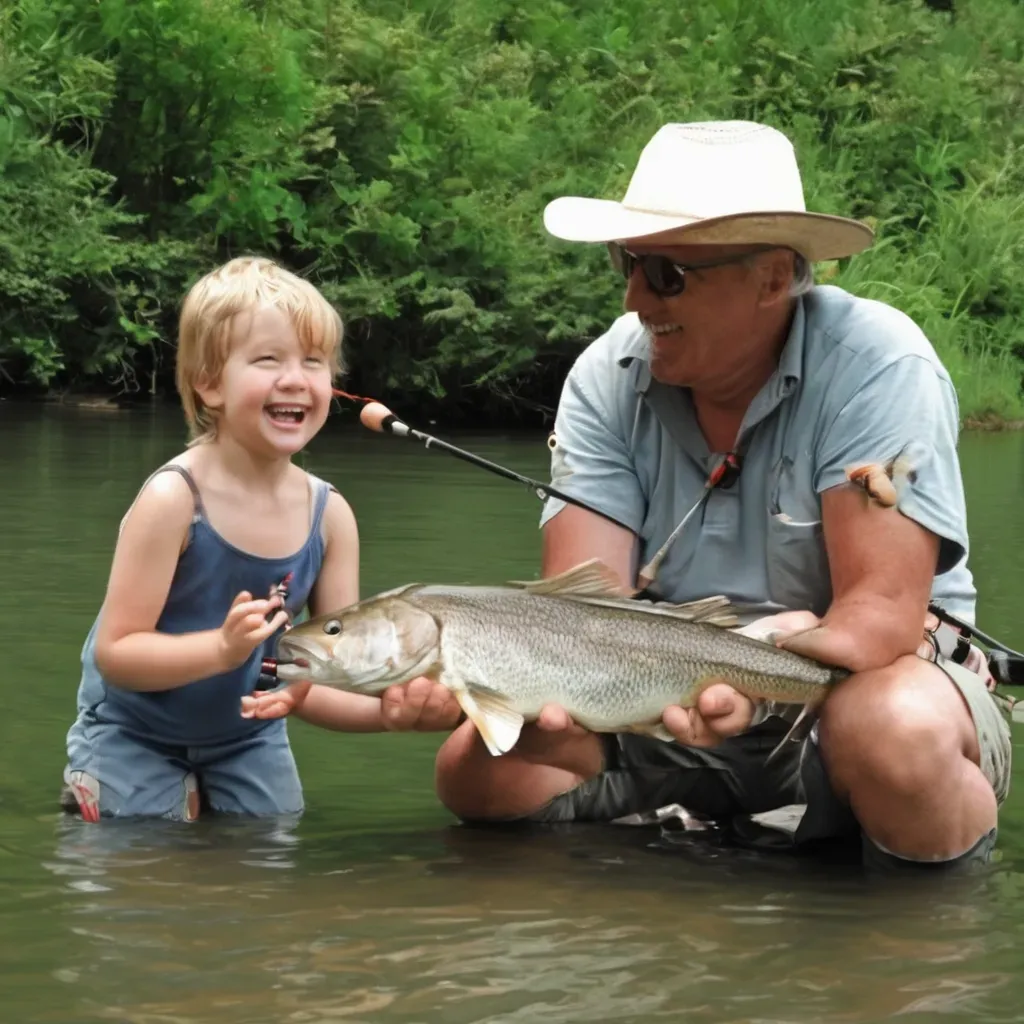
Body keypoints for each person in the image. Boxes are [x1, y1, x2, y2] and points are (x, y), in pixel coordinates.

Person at [431, 120, 1013, 871]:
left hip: (846, 690)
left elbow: (878, 620)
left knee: (893, 728)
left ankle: (925, 914)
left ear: (773, 277)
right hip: (666, 694)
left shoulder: (880, 365)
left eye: (668, 273)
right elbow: (580, 616)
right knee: (480, 775)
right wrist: (485, 685)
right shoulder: (605, 376)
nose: (637, 296)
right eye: (628, 262)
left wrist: (754, 665)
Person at [60, 256, 459, 823]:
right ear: (209, 382)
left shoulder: (331, 518)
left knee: (263, 866)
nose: (295, 378)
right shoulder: (174, 501)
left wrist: (393, 715)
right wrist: (221, 651)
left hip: (248, 739)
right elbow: (117, 654)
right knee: (135, 864)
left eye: (314, 362)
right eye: (268, 360)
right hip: (131, 732)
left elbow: (317, 679)